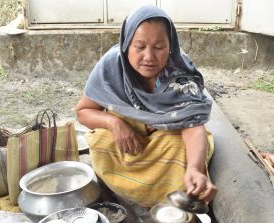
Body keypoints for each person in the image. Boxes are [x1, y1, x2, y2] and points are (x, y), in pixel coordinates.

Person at [76, 5, 216, 207]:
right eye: (140, 47)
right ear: (126, 44)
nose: (149, 57)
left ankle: (172, 208)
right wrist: (114, 123)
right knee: (100, 141)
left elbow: (193, 127)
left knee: (182, 151)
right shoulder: (111, 66)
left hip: (164, 143)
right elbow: (83, 112)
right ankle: (117, 194)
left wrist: (195, 168)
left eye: (159, 47)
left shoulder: (181, 75)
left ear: (171, 46)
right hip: (131, 142)